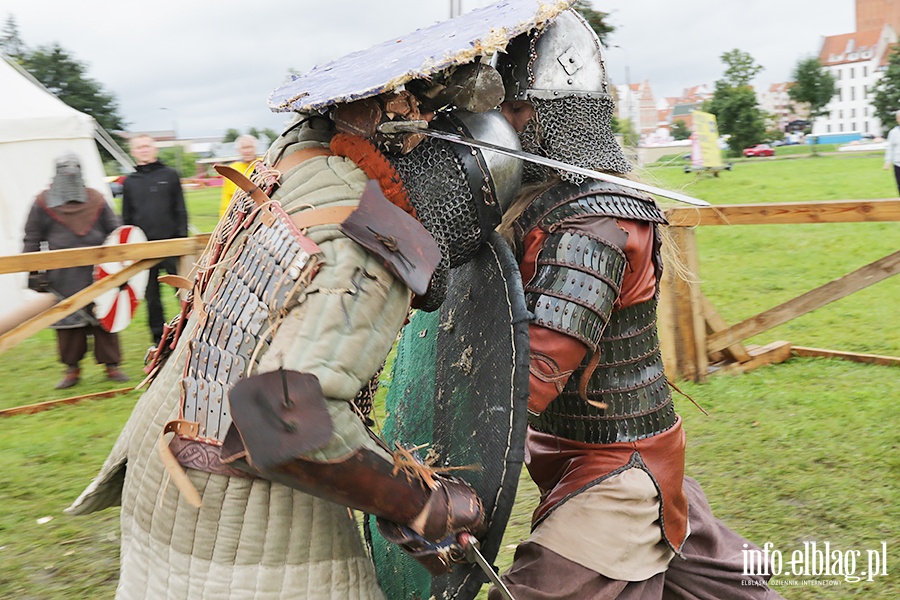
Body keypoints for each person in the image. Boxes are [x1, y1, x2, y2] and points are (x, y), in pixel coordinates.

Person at [66, 90, 523, 596]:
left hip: (166, 463)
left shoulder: (298, 162)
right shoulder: (370, 237)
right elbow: (288, 420)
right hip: (239, 526)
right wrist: (419, 504)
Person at [488, 11, 785, 599]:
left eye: (517, 109)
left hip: (616, 470)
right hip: (589, 452)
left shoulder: (593, 224)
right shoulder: (551, 206)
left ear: (555, 113)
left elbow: (534, 374)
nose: (505, 124)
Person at [23, 153, 129, 389]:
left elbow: (116, 232)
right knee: (67, 324)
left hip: (98, 272)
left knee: (104, 319)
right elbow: (32, 239)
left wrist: (120, 266)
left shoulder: (96, 199)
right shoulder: (42, 202)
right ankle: (72, 369)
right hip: (63, 275)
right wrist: (33, 273)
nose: (69, 173)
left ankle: (112, 366)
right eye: (64, 169)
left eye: (73, 168)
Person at [122, 134, 188, 346]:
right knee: (152, 297)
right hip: (145, 249)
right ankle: (158, 337)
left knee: (183, 290)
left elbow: (180, 210)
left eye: (147, 146)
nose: (143, 150)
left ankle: (190, 327)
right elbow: (127, 217)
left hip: (171, 245)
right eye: (139, 147)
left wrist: (181, 242)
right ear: (133, 151)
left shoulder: (170, 175)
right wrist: (131, 248)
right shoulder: (130, 182)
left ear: (154, 149)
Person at [218, 134, 261, 217]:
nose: (247, 151)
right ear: (239, 150)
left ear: (255, 149)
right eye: (244, 148)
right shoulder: (232, 170)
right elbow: (226, 201)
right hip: (241, 218)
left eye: (250, 147)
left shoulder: (265, 164)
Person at [882, 109, 900, 196]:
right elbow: (890, 148)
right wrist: (887, 161)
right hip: (898, 163)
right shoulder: (893, 132)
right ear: (897, 120)